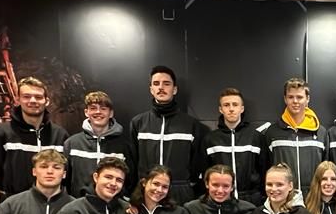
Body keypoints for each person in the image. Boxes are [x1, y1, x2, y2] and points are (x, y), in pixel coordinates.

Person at [128, 65, 208, 202]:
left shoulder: (191, 124)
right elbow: (132, 161)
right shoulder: (138, 123)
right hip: (146, 191)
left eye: (166, 83)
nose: (161, 87)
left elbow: (198, 163)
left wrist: (189, 186)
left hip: (180, 193)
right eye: (156, 83)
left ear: (174, 89)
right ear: (151, 89)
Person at [0, 77, 69, 197]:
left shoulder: (60, 135)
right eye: (27, 96)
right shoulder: (2, 134)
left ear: (46, 101)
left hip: (53, 203)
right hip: (14, 203)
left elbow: (67, 171)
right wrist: (13, 194)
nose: (33, 100)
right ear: (18, 100)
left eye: (38, 97)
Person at [261, 78, 327, 194]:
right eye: (291, 97)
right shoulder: (272, 132)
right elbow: (265, 168)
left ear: (307, 99)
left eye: (299, 97)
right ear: (285, 99)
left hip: (313, 198)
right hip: (283, 197)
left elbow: (326, 169)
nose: (295, 101)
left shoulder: (321, 132)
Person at [204, 87, 267, 206]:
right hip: (221, 200)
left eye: (235, 104)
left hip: (252, 201)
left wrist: (261, 197)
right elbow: (205, 172)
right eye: (226, 105)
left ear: (242, 108)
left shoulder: (256, 137)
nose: (231, 109)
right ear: (220, 109)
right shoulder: (210, 139)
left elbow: (264, 170)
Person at [63, 91, 129, 198]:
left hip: (113, 205)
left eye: (103, 109)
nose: (98, 112)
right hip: (79, 204)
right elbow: (65, 180)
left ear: (111, 113)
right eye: (93, 108)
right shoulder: (72, 144)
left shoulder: (124, 145)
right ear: (86, 112)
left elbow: (130, 180)